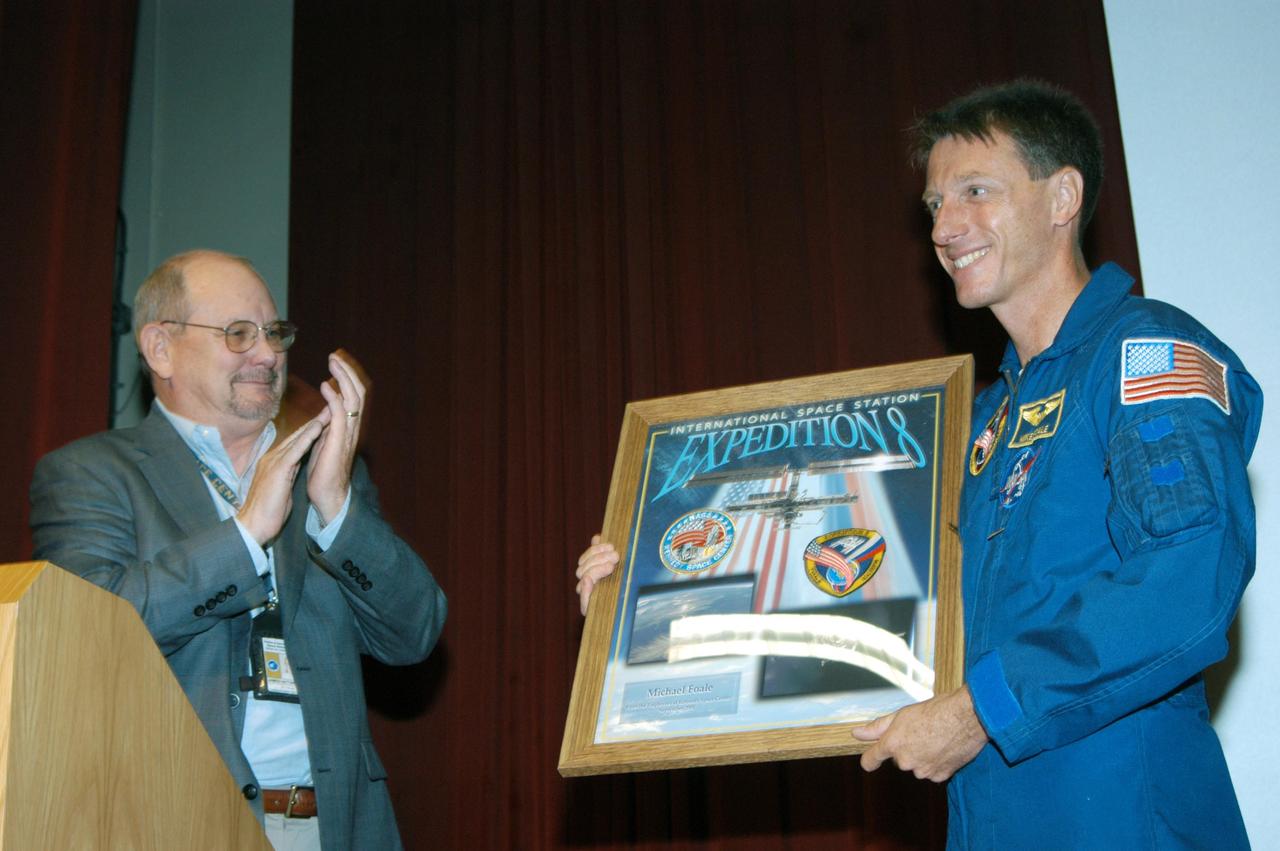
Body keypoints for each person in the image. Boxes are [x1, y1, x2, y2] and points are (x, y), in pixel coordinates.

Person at [575, 81, 1262, 848]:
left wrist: (982, 710)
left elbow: (1188, 571)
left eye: (976, 191)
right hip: (986, 817)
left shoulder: (1144, 353)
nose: (947, 225)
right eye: (935, 203)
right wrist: (647, 601)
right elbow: (850, 591)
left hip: (1124, 816)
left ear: (1063, 195)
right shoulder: (973, 426)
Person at [30, 249, 446, 850]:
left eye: (274, 333)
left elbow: (415, 633)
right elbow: (90, 637)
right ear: (159, 348)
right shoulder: (90, 474)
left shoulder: (324, 471)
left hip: (337, 829)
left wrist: (335, 508)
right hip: (171, 825)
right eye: (238, 334)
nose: (268, 354)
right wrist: (246, 535)